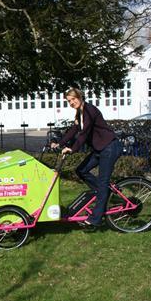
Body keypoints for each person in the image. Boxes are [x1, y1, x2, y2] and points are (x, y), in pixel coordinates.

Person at [51, 88, 122, 229]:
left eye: (73, 99)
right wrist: (59, 143)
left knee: (102, 182)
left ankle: (95, 218)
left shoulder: (89, 111)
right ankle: (105, 193)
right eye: (69, 101)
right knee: (81, 170)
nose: (71, 102)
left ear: (80, 96)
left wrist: (72, 148)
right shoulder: (80, 112)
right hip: (99, 149)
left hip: (109, 147)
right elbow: (74, 130)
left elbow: (83, 134)